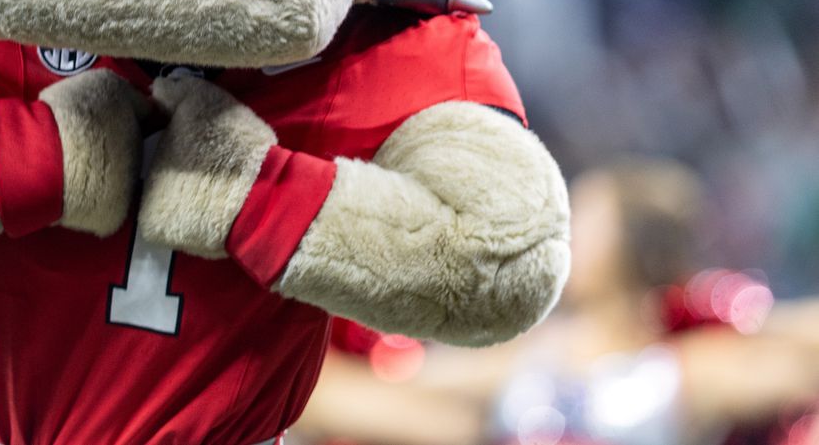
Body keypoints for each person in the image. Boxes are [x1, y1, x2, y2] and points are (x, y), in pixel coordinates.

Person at [293, 161, 819, 445]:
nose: (563, 234)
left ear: (631, 248)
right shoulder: (527, 355)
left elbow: (797, 361)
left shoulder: (682, 369)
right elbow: (402, 386)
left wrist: (748, 318)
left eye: (584, 221)